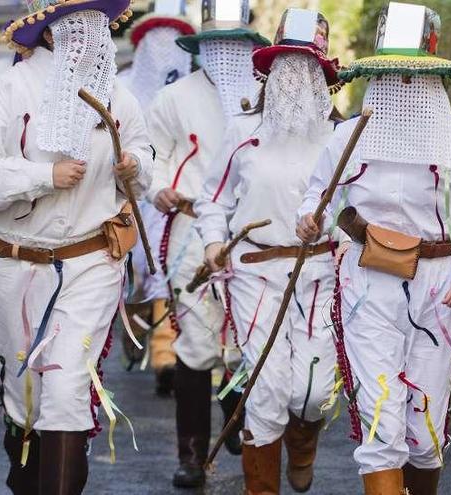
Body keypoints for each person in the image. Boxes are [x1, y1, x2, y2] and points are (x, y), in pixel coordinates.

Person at [296, 3, 451, 494]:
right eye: (393, 74)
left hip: (438, 289)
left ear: (433, 75)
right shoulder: (347, 136)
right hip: (364, 283)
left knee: (425, 430)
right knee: (380, 416)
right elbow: (317, 197)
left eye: (413, 74)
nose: (403, 85)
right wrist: (309, 221)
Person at [0, 0, 153, 492]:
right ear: (48, 33)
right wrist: (43, 176)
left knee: (66, 388)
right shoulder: (9, 89)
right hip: (13, 262)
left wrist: (135, 167)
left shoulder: (120, 97)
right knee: (25, 397)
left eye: (98, 26)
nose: (93, 36)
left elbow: (146, 157)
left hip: (90, 261)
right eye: (79, 26)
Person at [195, 10, 344, 493]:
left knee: (313, 391)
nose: (295, 77)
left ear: (323, 75)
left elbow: (355, 210)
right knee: (265, 389)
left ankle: (304, 441)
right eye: (286, 64)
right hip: (254, 273)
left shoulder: (340, 138)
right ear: (270, 68)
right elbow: (212, 199)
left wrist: (338, 234)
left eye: (306, 65)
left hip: (320, 274)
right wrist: (215, 243)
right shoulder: (243, 132)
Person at [145, 0, 270, 487]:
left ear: (250, 45)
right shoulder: (174, 99)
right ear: (200, 47)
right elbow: (153, 156)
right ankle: (192, 456)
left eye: (235, 44)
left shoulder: (269, 98)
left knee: (249, 337)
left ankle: (240, 420)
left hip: (254, 236)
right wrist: (159, 189)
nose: (225, 54)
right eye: (215, 44)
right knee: (196, 342)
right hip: (193, 232)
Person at [117, 0, 196, 393]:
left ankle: (169, 355)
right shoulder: (122, 86)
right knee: (137, 271)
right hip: (129, 194)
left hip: (171, 193)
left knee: (169, 269)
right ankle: (136, 323)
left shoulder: (192, 89)